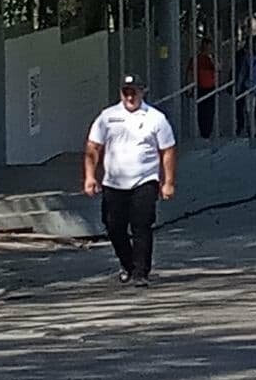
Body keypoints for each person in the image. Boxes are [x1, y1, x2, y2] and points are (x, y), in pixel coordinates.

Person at [83, 75, 177, 287]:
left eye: (134, 91)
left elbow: (167, 150)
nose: (130, 96)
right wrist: (90, 177)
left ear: (142, 92)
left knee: (141, 225)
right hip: (113, 182)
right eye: (126, 92)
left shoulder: (155, 118)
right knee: (114, 226)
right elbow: (93, 147)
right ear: (121, 93)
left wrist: (168, 181)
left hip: (144, 179)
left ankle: (141, 273)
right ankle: (128, 264)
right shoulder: (108, 117)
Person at [186, 37, 217, 139]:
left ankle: (208, 132)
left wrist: (211, 59)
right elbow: (190, 72)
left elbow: (218, 68)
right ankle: (203, 132)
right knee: (202, 110)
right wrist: (189, 87)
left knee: (210, 110)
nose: (207, 49)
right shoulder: (196, 59)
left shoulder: (211, 58)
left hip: (211, 87)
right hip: (200, 86)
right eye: (205, 47)